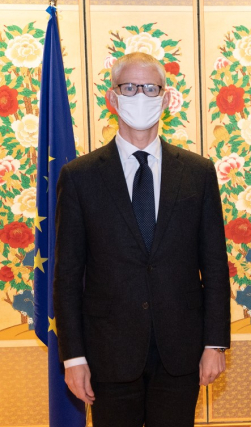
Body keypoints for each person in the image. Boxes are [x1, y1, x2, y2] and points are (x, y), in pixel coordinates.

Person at [53, 52, 231, 427]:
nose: (141, 96)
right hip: (108, 352)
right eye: (129, 87)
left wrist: (215, 343)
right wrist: (73, 357)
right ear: (112, 98)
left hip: (181, 352)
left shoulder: (198, 173)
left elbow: (214, 265)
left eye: (151, 88)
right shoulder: (80, 177)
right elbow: (67, 276)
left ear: (166, 98)